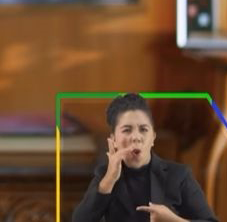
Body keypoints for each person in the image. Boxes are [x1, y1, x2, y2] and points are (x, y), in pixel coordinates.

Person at [73, 93, 218, 222]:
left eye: (143, 129)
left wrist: (174, 221)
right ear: (113, 140)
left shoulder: (179, 175)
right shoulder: (104, 176)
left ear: (153, 137)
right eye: (127, 130)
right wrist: (109, 180)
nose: (136, 137)